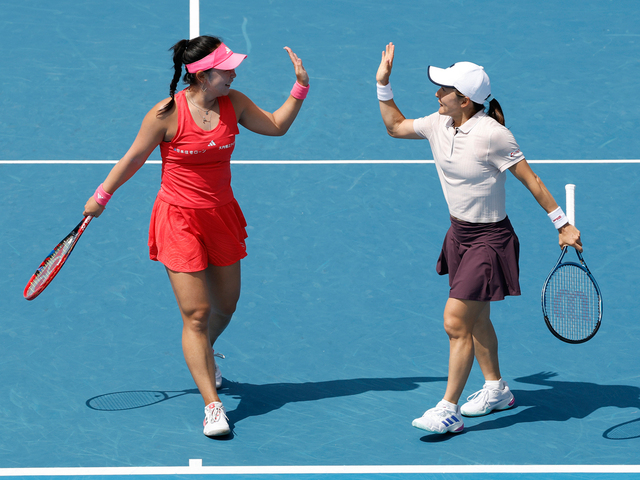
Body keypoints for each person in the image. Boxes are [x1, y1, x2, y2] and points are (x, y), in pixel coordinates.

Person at [83, 36, 309, 437]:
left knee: (226, 305)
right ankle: (213, 406)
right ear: (203, 76)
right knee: (197, 314)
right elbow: (134, 156)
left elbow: (275, 126)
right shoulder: (165, 114)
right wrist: (102, 194)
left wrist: (300, 88)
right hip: (178, 220)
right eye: (226, 70)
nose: (234, 74)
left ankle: (202, 352)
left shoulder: (233, 102)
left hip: (220, 216)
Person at [375, 43, 582, 434]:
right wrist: (383, 85)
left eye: (444, 89)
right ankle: (496, 389)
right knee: (478, 316)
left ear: (465, 99)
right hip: (459, 235)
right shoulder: (439, 124)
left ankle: (447, 409)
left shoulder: (493, 135)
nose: (436, 94)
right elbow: (395, 127)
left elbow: (531, 179)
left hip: (490, 241)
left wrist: (562, 224)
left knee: (456, 320)